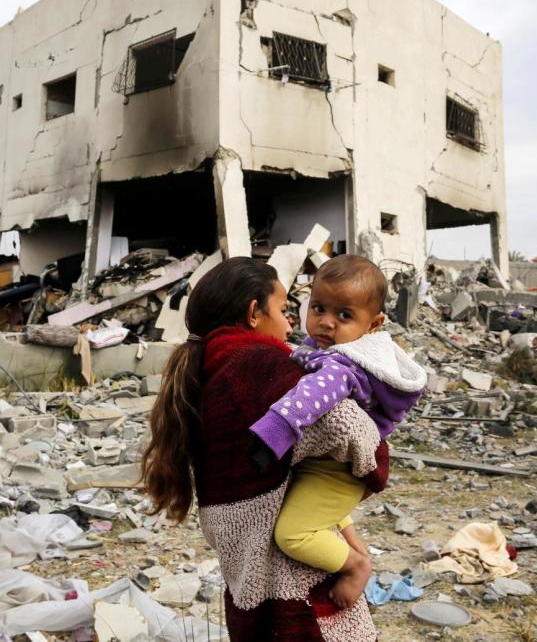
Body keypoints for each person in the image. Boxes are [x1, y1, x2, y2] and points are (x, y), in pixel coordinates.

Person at [141, 257, 388, 641]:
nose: (292, 324)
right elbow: (346, 427)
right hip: (294, 584)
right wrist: (376, 458)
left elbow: (292, 469)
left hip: (248, 579)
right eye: (285, 310)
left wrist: (347, 531)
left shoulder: (208, 369)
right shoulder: (257, 365)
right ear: (254, 312)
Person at [248, 256, 426, 608]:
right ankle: (347, 536)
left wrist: (273, 432)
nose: (326, 323)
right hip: (325, 463)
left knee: (291, 534)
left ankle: (356, 566)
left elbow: (311, 395)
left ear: (373, 324)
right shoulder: (332, 347)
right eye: (318, 308)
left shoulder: (346, 365)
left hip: (339, 473)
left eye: (344, 315)